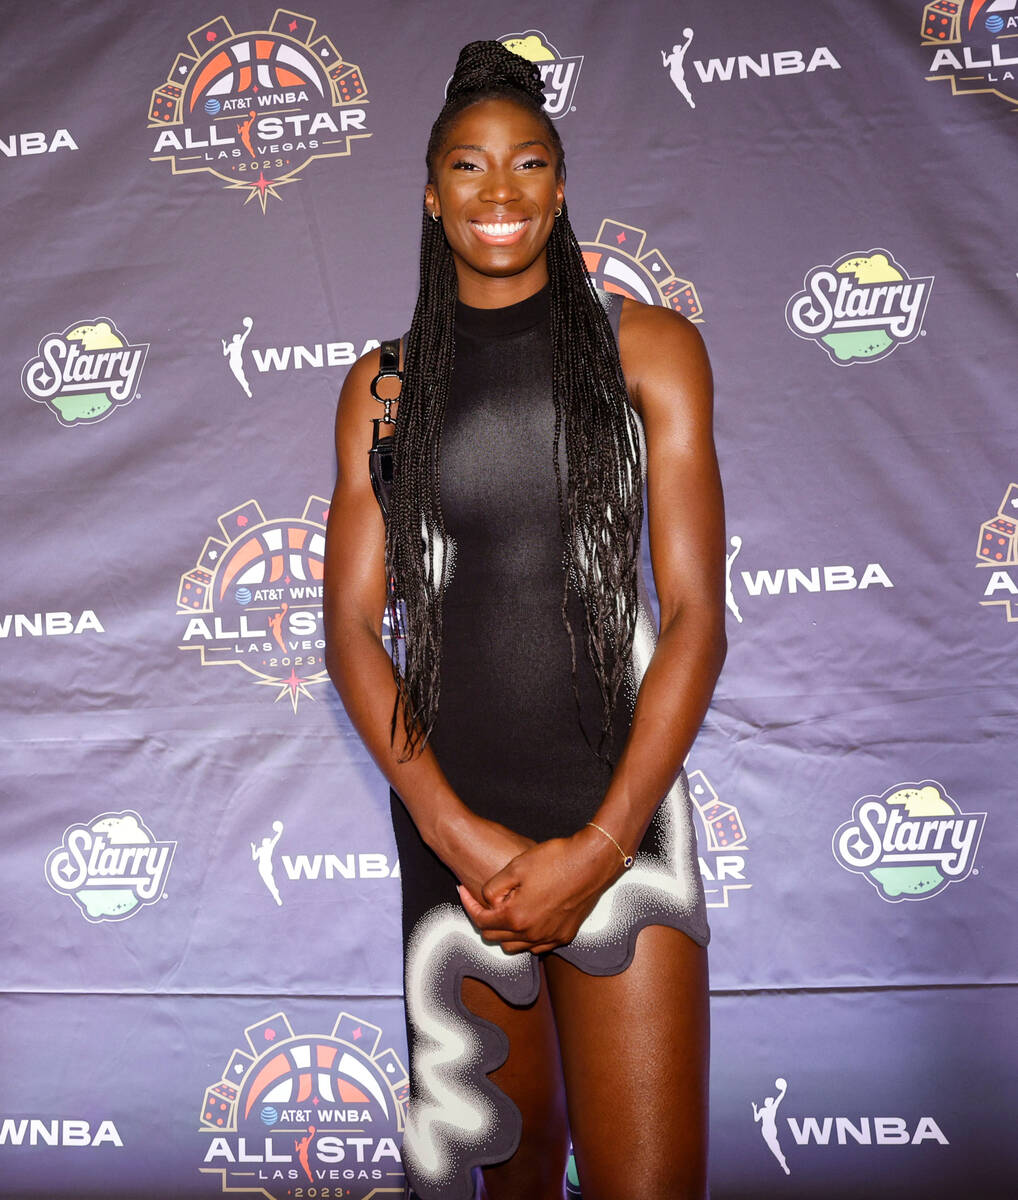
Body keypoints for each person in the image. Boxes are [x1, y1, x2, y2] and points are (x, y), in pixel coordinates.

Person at [324, 40, 725, 1200]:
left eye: (526, 164)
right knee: (491, 1185)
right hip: (456, 853)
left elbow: (697, 614)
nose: (497, 194)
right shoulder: (381, 389)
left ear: (558, 185)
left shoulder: (648, 350)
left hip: (621, 837)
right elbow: (353, 628)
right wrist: (459, 836)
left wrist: (598, 847)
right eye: (467, 166)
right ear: (430, 192)